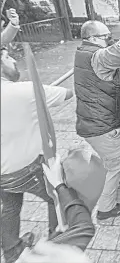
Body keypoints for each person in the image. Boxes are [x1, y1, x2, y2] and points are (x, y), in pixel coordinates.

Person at [1, 45, 73, 263]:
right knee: (58, 197)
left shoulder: (26, 90)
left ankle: (12, 250)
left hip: (2, 172)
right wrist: (42, 91)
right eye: (6, 56)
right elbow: (67, 94)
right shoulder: (25, 90)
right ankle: (54, 241)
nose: (12, 59)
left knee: (11, 206)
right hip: (25, 168)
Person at [73, 11, 120, 220]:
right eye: (106, 37)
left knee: (119, 154)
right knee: (115, 163)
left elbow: (102, 76)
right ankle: (106, 209)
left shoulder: (83, 53)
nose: (110, 40)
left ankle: (117, 176)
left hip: (92, 122)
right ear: (93, 38)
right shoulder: (97, 56)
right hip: (101, 126)